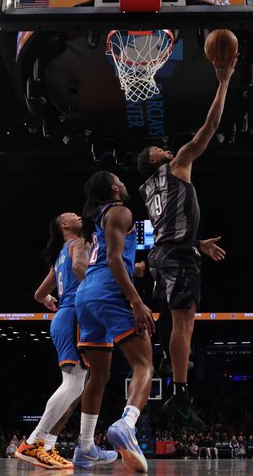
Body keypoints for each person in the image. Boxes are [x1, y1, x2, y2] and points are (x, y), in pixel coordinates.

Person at [136, 55, 235, 429]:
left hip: (166, 252)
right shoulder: (176, 165)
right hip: (176, 255)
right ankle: (179, 394)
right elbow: (208, 128)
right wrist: (223, 82)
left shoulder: (147, 188)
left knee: (172, 317)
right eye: (155, 151)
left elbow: (172, 222)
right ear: (152, 161)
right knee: (185, 323)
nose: (163, 148)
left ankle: (165, 362)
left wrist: (196, 243)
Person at [72, 171, 156, 472]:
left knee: (98, 376)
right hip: (109, 290)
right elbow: (113, 259)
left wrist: (137, 267)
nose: (124, 183)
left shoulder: (95, 221)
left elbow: (108, 256)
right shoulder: (120, 211)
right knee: (144, 364)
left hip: (86, 295)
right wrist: (136, 300)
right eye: (119, 180)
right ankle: (127, 423)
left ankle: (84, 449)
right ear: (112, 188)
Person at [15, 212, 95, 470]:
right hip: (72, 315)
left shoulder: (61, 252)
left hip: (62, 317)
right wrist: (100, 294)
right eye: (74, 215)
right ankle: (33, 442)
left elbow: (39, 294)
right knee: (73, 384)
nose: (79, 216)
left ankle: (44, 446)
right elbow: (79, 269)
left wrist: (49, 300)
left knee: (76, 384)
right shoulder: (78, 243)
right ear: (64, 225)